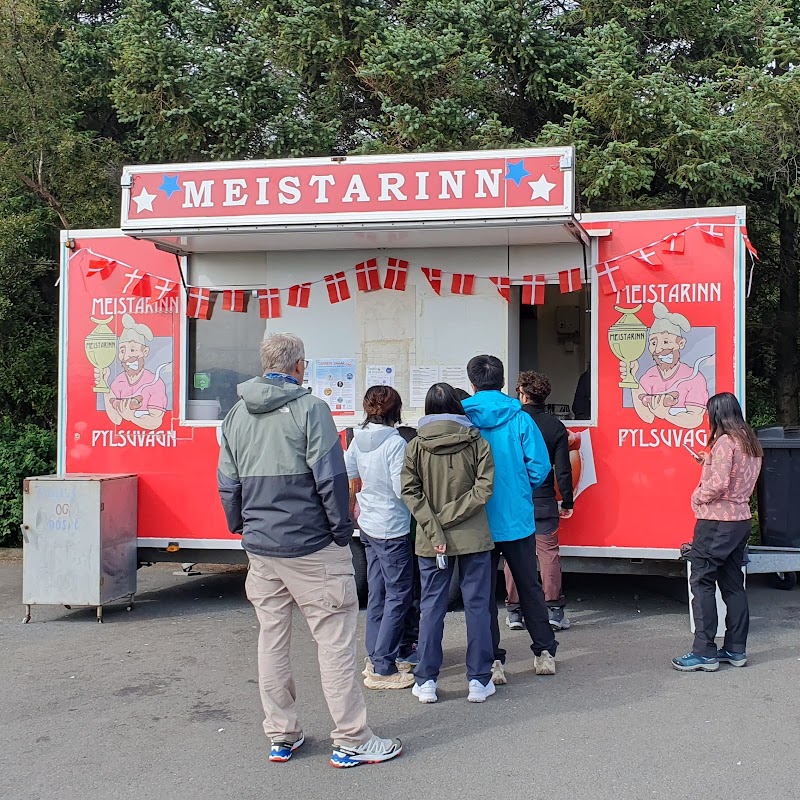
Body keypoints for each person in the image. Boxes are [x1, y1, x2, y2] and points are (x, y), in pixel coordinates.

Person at [217, 333, 402, 767]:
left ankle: (282, 735)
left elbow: (228, 483)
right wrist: (341, 530)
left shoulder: (236, 414)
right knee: (335, 642)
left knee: (272, 639)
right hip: (312, 545)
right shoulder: (311, 409)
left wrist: (240, 525)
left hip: (262, 549)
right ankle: (353, 739)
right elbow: (331, 480)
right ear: (299, 366)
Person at [461, 355, 559, 682]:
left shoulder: (463, 418)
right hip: (516, 518)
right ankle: (544, 652)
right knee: (529, 586)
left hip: (475, 520)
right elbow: (540, 468)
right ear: (504, 383)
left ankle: (492, 661)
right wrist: (518, 488)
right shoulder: (520, 418)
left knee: (482, 594)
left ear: (472, 382)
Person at [402, 383, 496, 704]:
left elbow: (410, 492)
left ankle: (426, 680)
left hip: (431, 541)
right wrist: (451, 515)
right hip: (474, 538)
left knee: (431, 607)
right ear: (458, 406)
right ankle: (479, 680)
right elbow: (484, 489)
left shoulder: (415, 445)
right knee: (478, 607)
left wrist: (435, 524)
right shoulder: (477, 442)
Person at [672, 392, 763, 672]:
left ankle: (704, 653)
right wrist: (707, 462)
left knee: (701, 582)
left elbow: (720, 484)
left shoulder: (724, 442)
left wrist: (697, 496)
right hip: (740, 521)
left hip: (716, 522)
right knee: (733, 584)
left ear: (717, 415)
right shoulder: (750, 442)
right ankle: (736, 650)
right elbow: (734, 478)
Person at [345, 386, 415, 690]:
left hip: (369, 526)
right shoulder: (395, 443)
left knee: (378, 594)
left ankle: (375, 655)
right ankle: (383, 668)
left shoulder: (358, 440)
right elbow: (403, 491)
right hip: (392, 527)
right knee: (399, 594)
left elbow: (347, 471)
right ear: (396, 410)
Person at [504, 371, 574, 632]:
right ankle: (554, 611)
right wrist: (567, 500)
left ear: (523, 394)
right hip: (544, 500)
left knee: (514, 556)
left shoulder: (513, 422)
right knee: (548, 554)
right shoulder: (556, 426)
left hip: (515, 501)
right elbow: (563, 470)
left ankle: (514, 612)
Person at [624, 302, 709, 430]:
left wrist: (666, 415)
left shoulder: (694, 377)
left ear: (680, 344)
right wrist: (632, 379)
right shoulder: (648, 377)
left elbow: (695, 419)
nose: (658, 349)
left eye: (666, 341)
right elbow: (647, 417)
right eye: (653, 343)